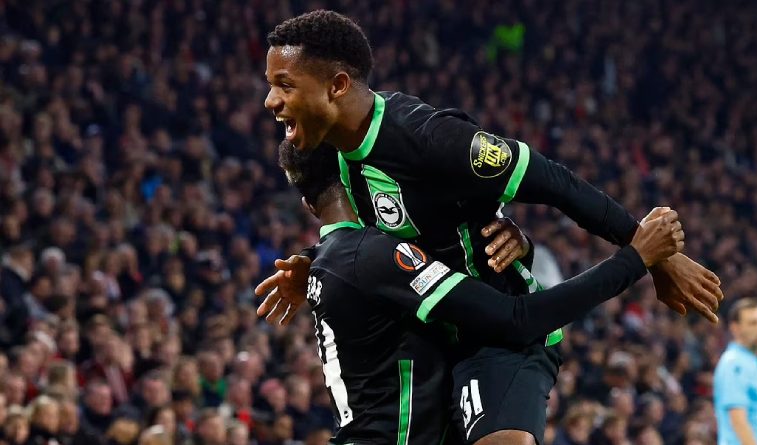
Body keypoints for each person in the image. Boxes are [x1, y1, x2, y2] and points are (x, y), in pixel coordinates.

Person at [257, 10, 722, 445]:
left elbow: (553, 181)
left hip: (502, 335)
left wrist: (655, 253)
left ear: (337, 85)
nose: (271, 101)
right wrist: (314, 265)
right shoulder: (335, 161)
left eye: (285, 85)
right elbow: (366, 250)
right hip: (434, 340)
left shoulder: (430, 138)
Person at [275, 140, 683, 444]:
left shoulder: (330, 262)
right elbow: (516, 319)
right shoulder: (375, 255)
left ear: (310, 205)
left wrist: (518, 244)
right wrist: (634, 259)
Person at [713, 298, 757, 445]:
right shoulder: (735, 363)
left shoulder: (749, 360)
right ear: (735, 328)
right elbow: (738, 422)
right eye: (753, 323)